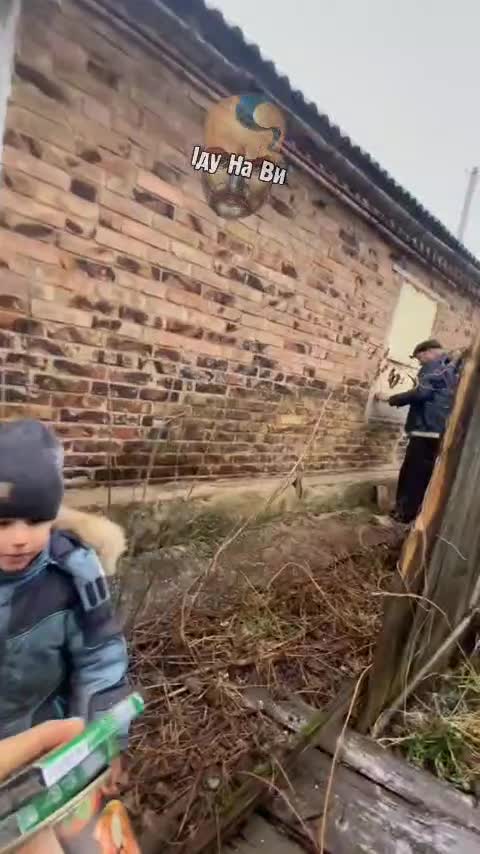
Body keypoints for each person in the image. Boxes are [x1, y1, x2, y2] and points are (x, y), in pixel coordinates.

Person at [0, 420, 129, 783]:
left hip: (46, 749)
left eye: (36, 520)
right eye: (3, 523)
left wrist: (104, 745)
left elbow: (101, 663)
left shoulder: (72, 575)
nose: (20, 539)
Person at [387, 339, 459, 523]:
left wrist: (394, 399)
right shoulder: (452, 368)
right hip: (439, 430)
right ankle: (416, 512)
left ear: (428, 352)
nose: (420, 363)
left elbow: (422, 393)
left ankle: (403, 513)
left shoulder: (432, 366)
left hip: (425, 428)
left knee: (412, 473)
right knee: (424, 474)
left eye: (419, 358)